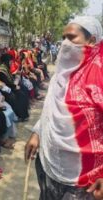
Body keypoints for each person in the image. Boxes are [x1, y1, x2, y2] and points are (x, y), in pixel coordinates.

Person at [25, 16, 103, 200]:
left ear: (91, 40)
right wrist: (37, 133)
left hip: (85, 178)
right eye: (64, 37)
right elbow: (50, 109)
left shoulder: (99, 75)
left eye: (72, 37)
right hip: (49, 164)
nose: (65, 43)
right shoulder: (62, 73)